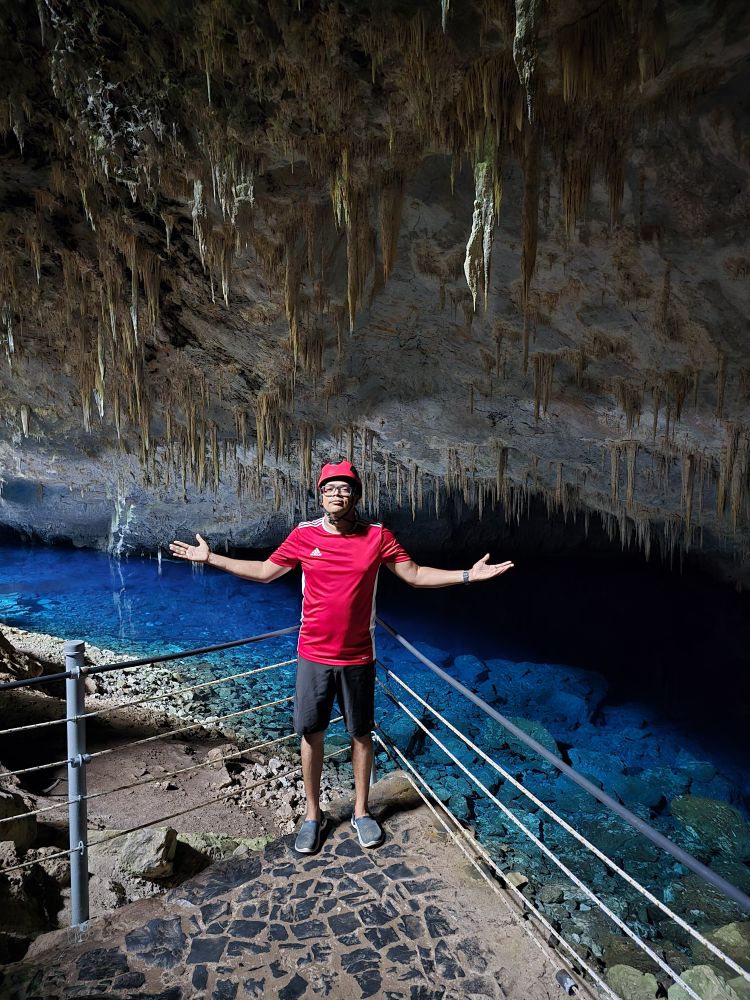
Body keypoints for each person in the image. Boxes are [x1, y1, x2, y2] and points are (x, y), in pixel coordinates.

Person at [170, 460, 513, 854]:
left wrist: (468, 575)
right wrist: (211, 559)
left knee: (360, 735)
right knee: (311, 734)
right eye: (329, 489)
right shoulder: (304, 535)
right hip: (313, 654)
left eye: (344, 488)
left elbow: (415, 575)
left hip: (358, 656)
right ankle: (313, 816)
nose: (336, 494)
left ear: (356, 496)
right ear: (321, 496)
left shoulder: (378, 536)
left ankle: (362, 811)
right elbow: (265, 572)